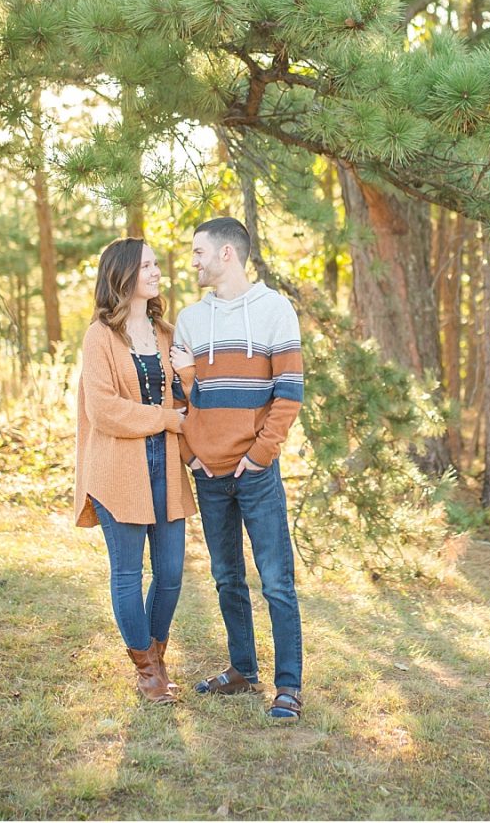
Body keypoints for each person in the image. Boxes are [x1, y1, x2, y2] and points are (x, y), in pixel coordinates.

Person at [169, 217, 306, 723]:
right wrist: (192, 455)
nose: (193, 260)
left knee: (275, 581)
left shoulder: (274, 311)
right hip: (209, 474)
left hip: (255, 472)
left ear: (228, 254)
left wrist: (260, 456)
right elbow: (181, 397)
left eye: (199, 251)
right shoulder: (189, 319)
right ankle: (243, 671)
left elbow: (288, 394)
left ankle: (288, 686)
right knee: (228, 578)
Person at [74, 237, 195, 704]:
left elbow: (184, 397)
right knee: (127, 574)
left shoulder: (166, 334)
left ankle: (158, 659)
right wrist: (166, 418)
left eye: (156, 263)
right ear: (122, 274)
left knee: (169, 574)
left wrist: (187, 382)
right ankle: (147, 673)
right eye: (146, 265)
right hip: (117, 469)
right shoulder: (99, 336)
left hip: (164, 465)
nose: (156, 271)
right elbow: (104, 409)